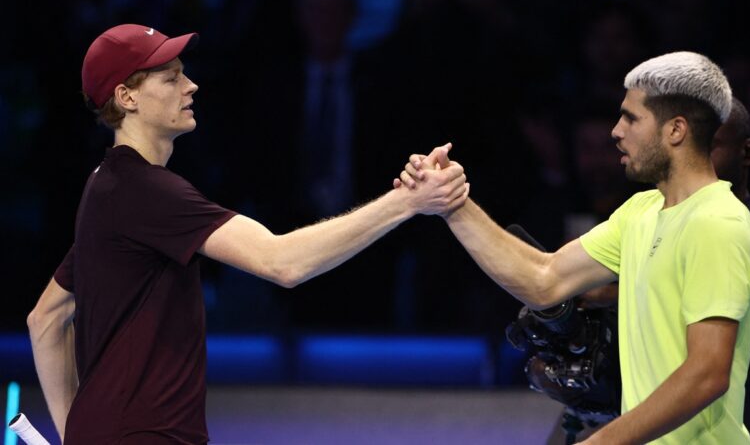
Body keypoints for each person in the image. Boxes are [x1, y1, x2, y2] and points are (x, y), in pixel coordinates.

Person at [26, 24, 469, 444]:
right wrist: (409, 201)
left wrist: (77, 432)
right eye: (171, 78)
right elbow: (282, 262)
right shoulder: (145, 190)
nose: (191, 86)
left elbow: (45, 317)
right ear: (126, 97)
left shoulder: (108, 186)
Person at [399, 51, 750, 444]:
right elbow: (544, 279)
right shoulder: (642, 210)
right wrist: (452, 203)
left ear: (676, 130)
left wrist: (600, 441)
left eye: (632, 118)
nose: (616, 131)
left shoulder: (717, 221)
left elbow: (707, 374)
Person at [710, 97, 750, 442]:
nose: (694, 162)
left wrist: (617, 293)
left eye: (711, 146)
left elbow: (744, 303)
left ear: (746, 153)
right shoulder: (654, 224)